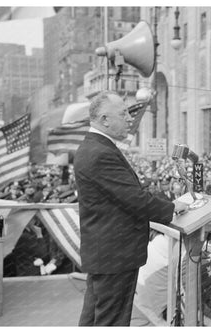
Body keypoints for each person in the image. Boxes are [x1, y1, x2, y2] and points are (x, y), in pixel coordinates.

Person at [74, 91, 188, 326]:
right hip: (114, 255)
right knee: (112, 321)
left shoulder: (95, 147)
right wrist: (173, 207)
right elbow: (134, 199)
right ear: (105, 119)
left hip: (105, 254)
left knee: (94, 317)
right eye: (123, 113)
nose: (129, 118)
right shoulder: (100, 153)